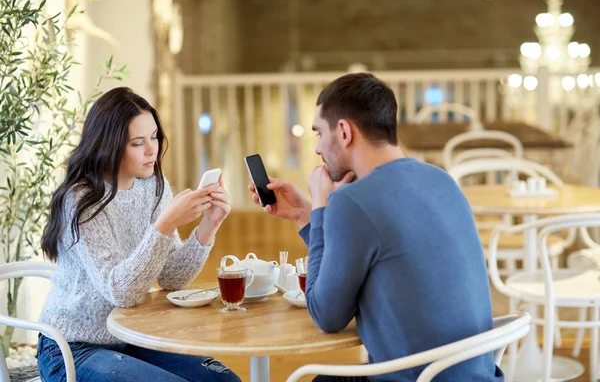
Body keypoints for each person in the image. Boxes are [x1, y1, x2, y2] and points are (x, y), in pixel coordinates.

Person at [249, 73, 503, 381]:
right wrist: (306, 215)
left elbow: (326, 315)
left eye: (319, 133)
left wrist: (321, 205)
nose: (317, 149)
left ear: (344, 131)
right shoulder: (441, 179)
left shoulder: (352, 202)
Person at [37, 87, 241, 382]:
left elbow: (171, 277)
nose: (152, 150)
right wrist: (165, 225)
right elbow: (121, 292)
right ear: (110, 145)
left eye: (154, 137)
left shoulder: (154, 187)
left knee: (224, 380)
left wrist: (209, 225)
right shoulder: (81, 201)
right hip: (71, 349)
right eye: (137, 143)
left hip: (130, 338)